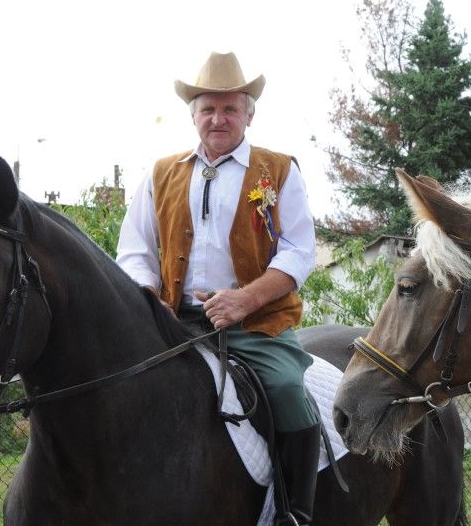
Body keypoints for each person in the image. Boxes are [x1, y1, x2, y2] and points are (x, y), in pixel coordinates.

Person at [116, 52, 319, 526]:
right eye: (208, 109)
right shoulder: (160, 173)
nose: (218, 118)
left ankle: (295, 512)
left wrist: (244, 299)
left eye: (230, 109)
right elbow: (135, 252)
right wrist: (149, 302)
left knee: (289, 391)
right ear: (194, 115)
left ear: (249, 114)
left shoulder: (278, 170)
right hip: (172, 320)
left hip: (257, 323)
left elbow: (298, 251)